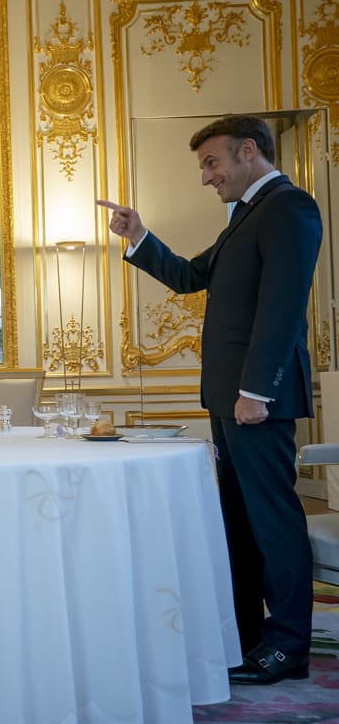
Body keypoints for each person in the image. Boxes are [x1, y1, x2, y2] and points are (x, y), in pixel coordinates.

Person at [99, 114, 321, 686]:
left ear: (248, 151)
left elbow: (281, 309)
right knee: (239, 523)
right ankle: (246, 639)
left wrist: (255, 393)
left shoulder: (290, 208)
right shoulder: (245, 217)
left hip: (256, 399)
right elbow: (191, 276)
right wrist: (138, 236)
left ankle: (289, 646)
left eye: (211, 162)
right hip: (230, 397)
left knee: (273, 522)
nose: (205, 177)